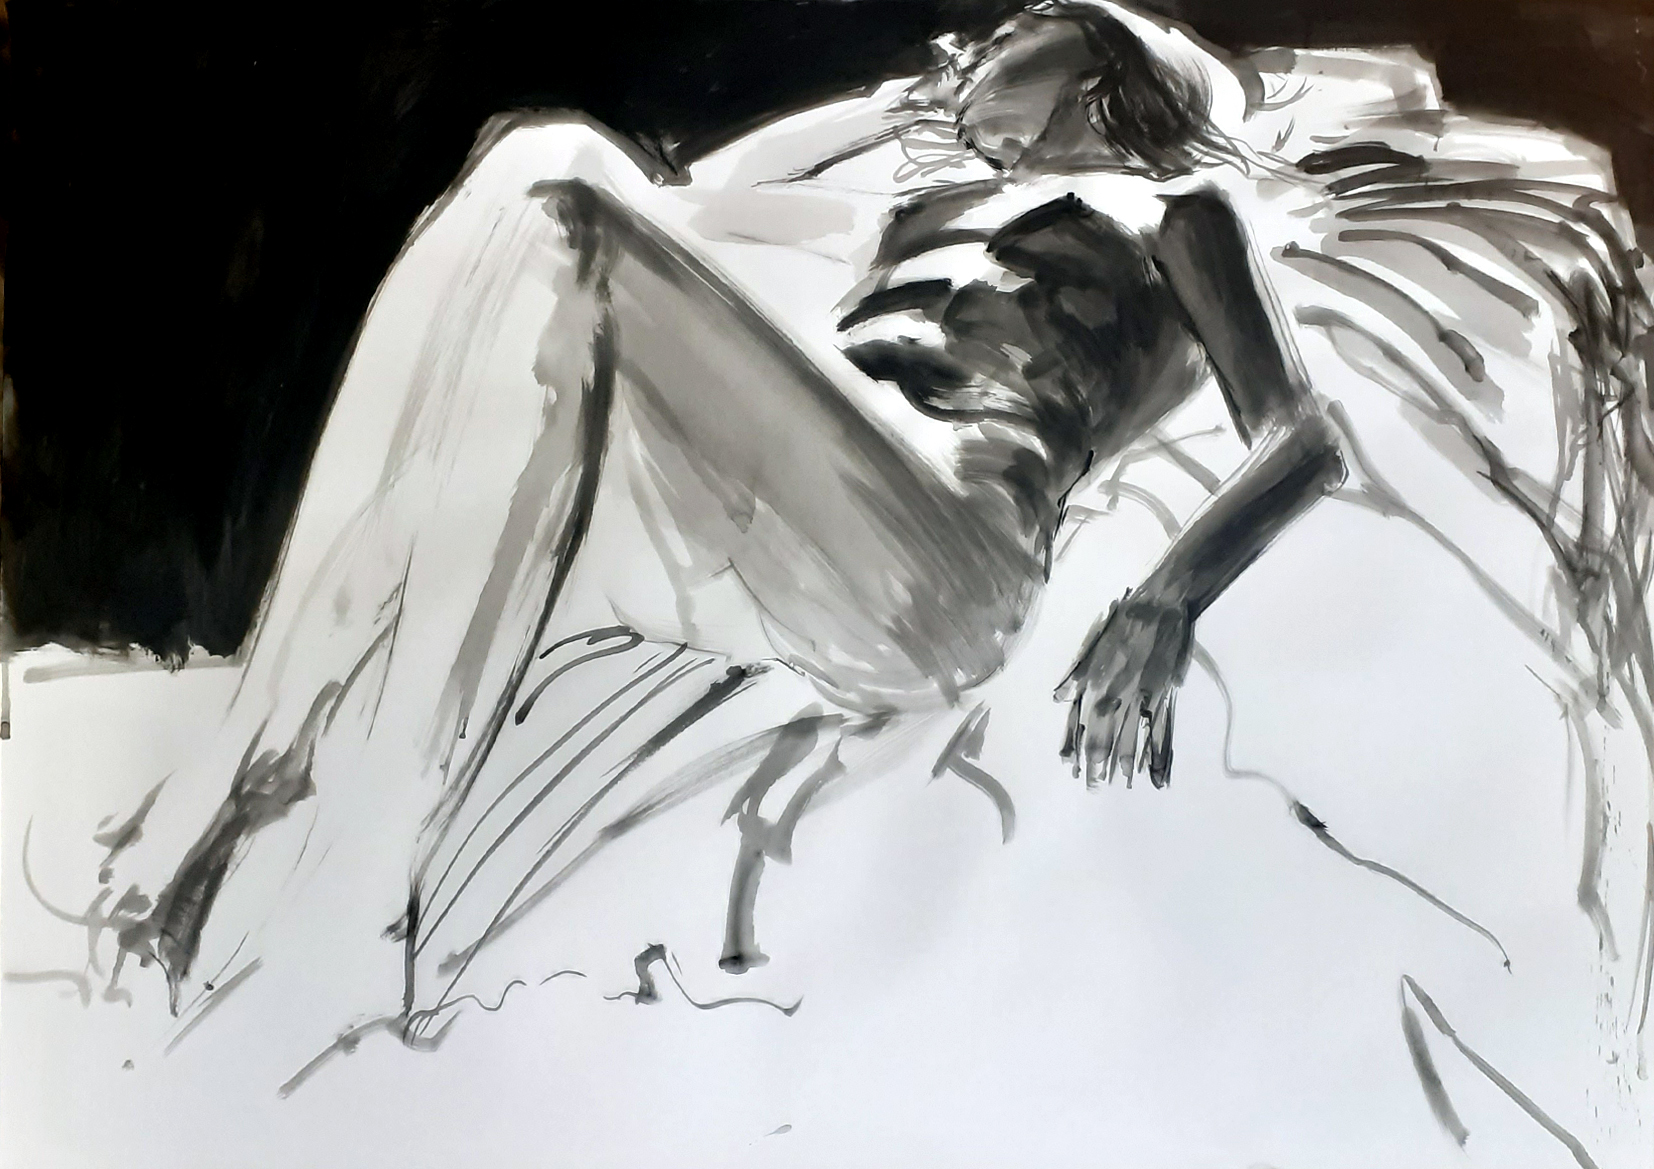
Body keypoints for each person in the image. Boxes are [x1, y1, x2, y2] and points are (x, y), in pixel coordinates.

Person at [94, 0, 1652, 1067]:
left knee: (556, 191)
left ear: (1096, 81)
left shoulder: (1174, 213)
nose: (964, 56)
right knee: (525, 189)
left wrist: (1162, 599)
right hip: (806, 532)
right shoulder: (918, 208)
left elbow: (1299, 437)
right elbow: (711, 266)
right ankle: (255, 782)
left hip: (939, 569)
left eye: (1011, 43)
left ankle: (359, 877)